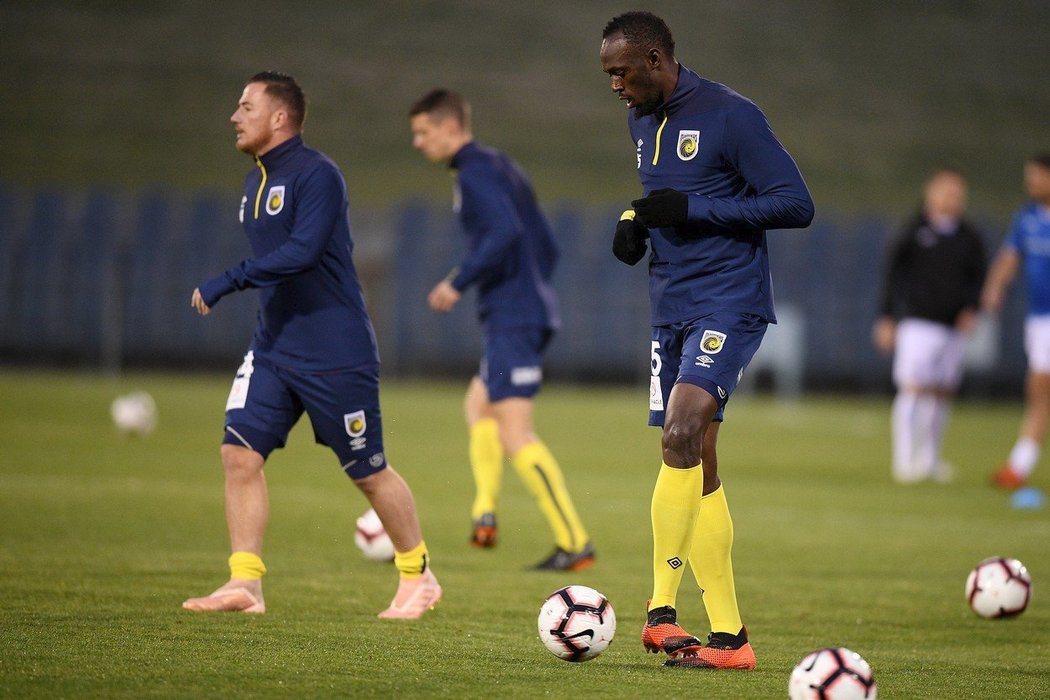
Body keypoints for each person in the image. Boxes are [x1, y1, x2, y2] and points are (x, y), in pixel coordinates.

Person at [599, 12, 814, 669]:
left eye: (622, 71)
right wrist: (636, 222)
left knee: (681, 430)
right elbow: (668, 199)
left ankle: (659, 613)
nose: (614, 85)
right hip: (670, 306)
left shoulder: (731, 115)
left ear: (658, 60)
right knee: (700, 465)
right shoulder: (641, 117)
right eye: (607, 73)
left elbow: (793, 204)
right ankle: (731, 640)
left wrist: (692, 212)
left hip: (730, 300)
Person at [183, 71, 441, 619]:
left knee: (368, 472)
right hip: (273, 348)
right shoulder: (255, 182)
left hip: (335, 351)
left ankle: (418, 577)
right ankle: (245, 583)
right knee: (238, 455)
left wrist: (228, 280)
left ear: (279, 117)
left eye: (246, 105)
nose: (235, 115)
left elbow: (302, 252)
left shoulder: (317, 174)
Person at [408, 89, 593, 571]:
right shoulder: (500, 165)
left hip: (514, 317)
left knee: (516, 434)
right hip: (521, 309)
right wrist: (530, 287)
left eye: (423, 132)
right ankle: (485, 513)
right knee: (478, 405)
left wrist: (458, 281)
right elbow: (544, 243)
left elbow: (505, 232)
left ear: (451, 128)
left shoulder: (473, 173)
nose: (417, 142)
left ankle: (574, 542)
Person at [872, 167, 987, 484]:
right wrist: (887, 317)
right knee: (912, 387)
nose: (953, 198)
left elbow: (978, 279)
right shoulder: (912, 231)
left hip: (952, 327)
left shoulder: (969, 237)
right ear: (930, 192)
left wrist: (972, 308)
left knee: (942, 392)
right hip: (917, 324)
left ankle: (930, 460)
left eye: (958, 193)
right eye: (947, 191)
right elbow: (892, 276)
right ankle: (904, 461)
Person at [982, 153, 1050, 489]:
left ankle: (1019, 466)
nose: (1031, 183)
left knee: (1039, 388)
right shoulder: (1027, 218)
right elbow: (1009, 257)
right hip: (1040, 320)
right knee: (1038, 393)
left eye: (1038, 176)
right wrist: (995, 287)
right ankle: (1019, 466)